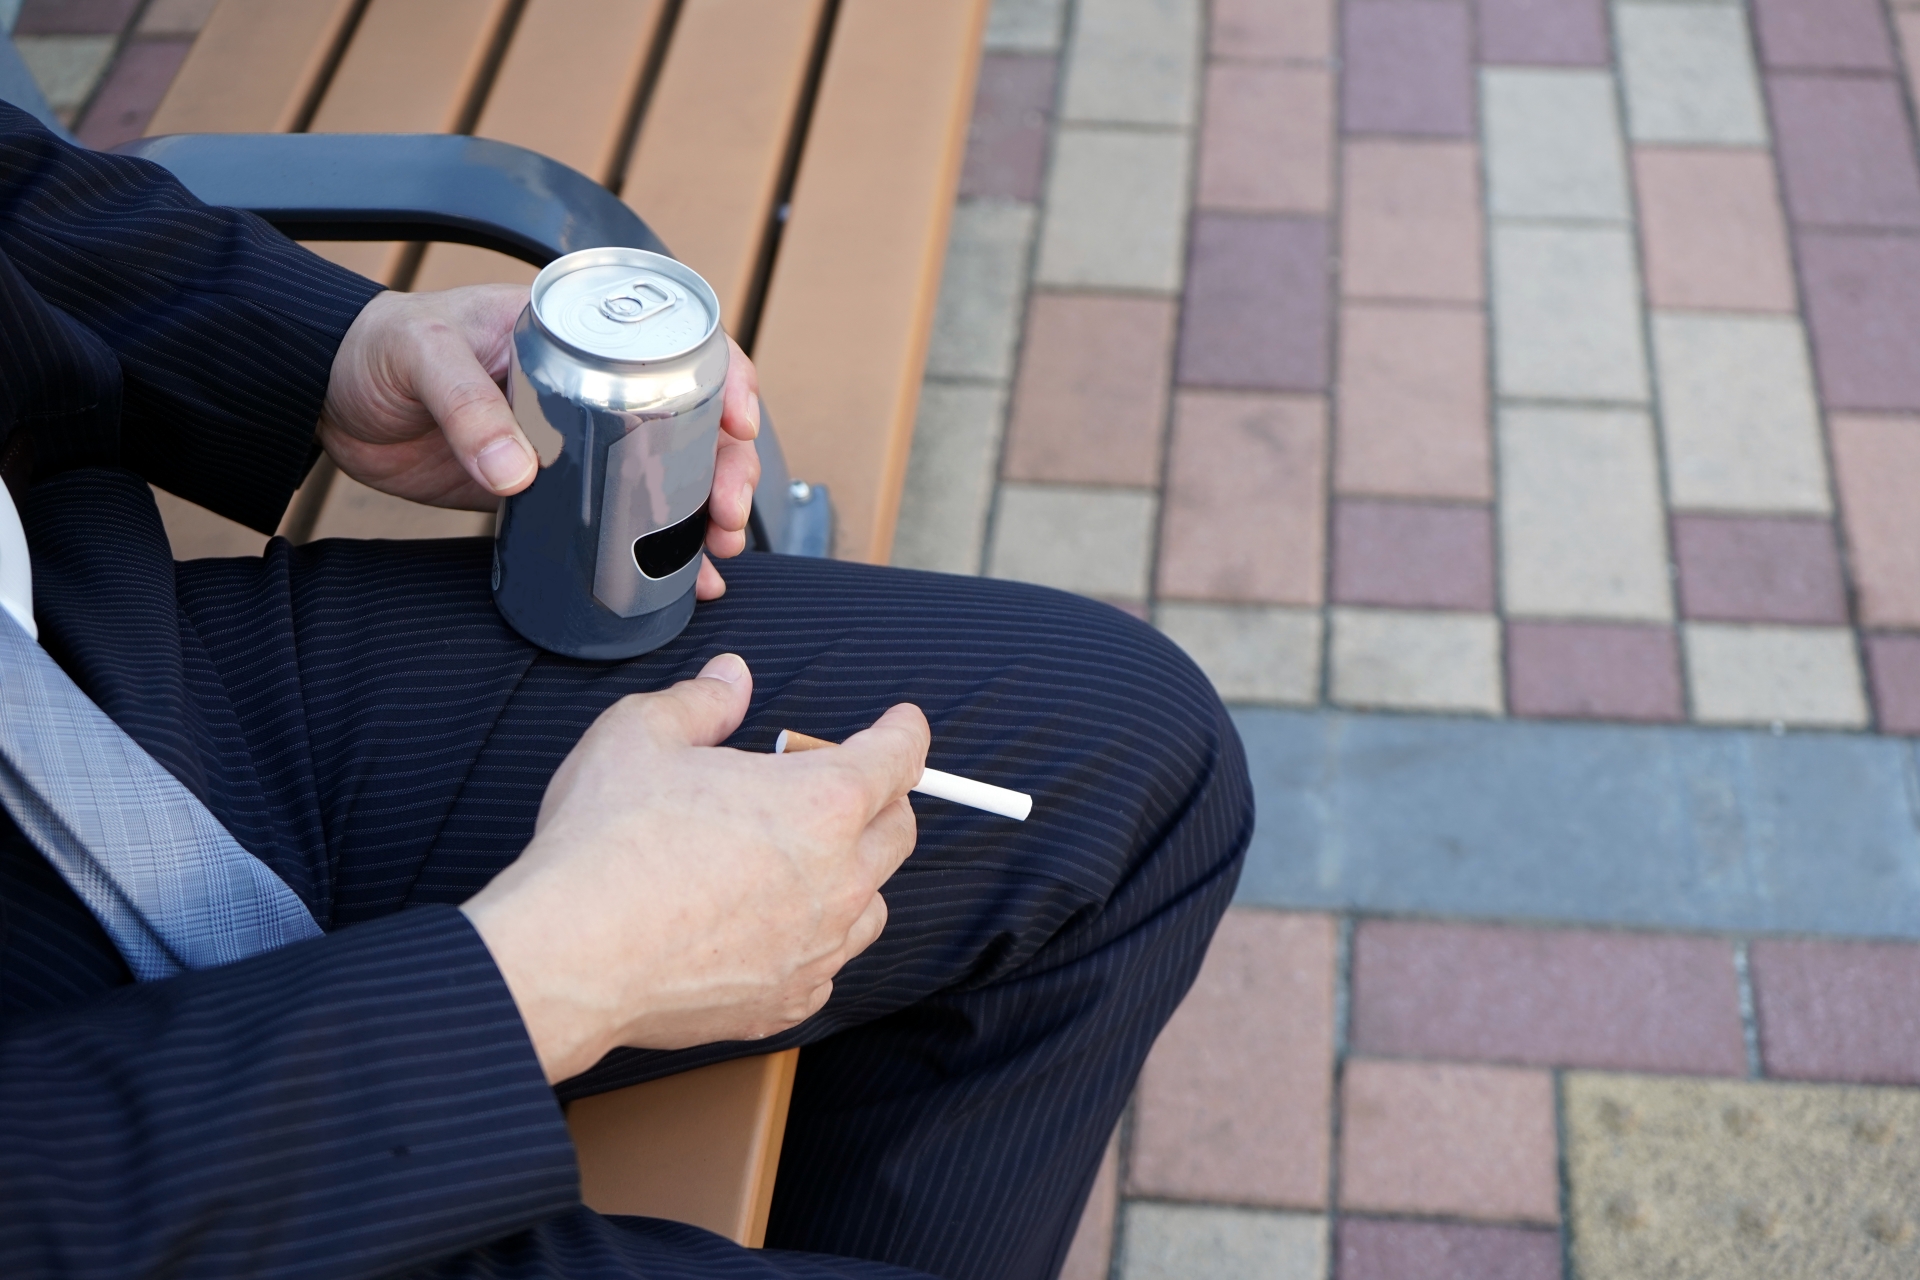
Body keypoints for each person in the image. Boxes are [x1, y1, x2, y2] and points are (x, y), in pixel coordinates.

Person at [0, 101, 1252, 1279]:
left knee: (1128, 760)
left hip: (86, 669)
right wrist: (557, 975)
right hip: (114, 1163)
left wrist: (312, 345)